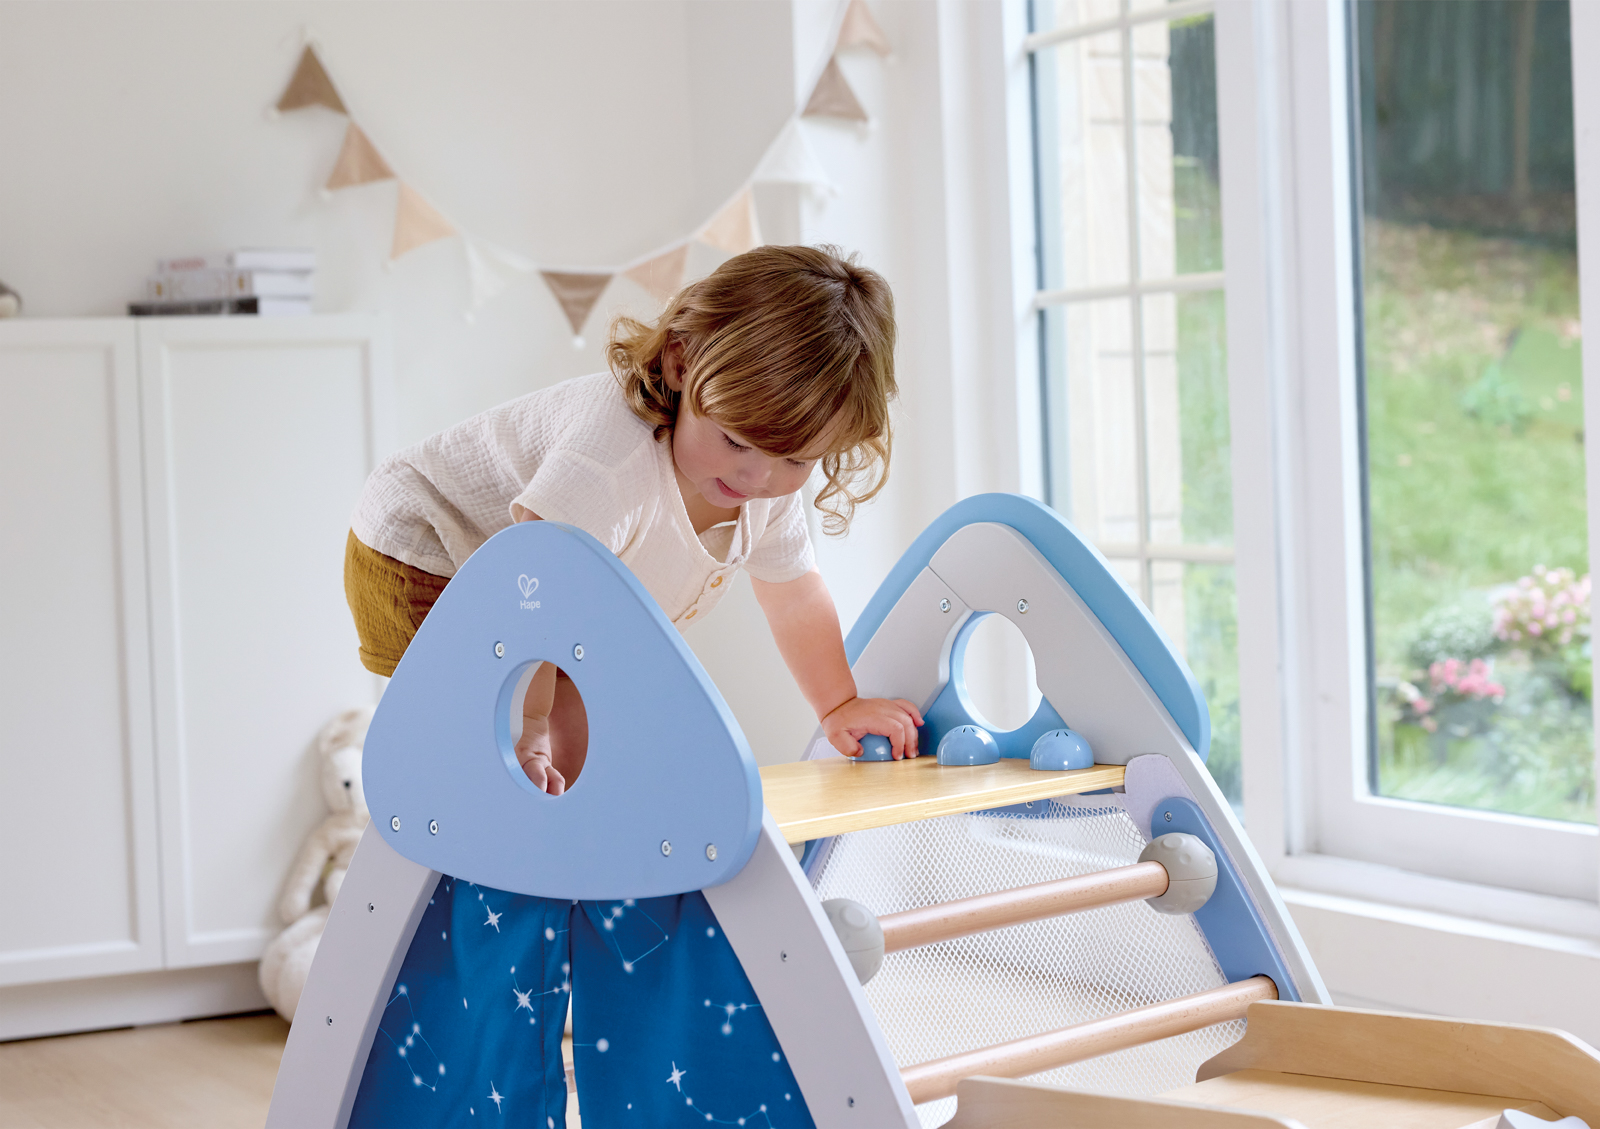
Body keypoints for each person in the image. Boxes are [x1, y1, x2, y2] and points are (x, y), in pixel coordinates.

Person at [344, 244, 923, 794]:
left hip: (554, 591)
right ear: (680, 363)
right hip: (428, 546)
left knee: (585, 739)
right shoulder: (610, 466)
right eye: (734, 442)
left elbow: (794, 596)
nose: (757, 478)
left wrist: (838, 705)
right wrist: (529, 730)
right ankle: (462, 833)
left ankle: (577, 838)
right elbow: (534, 594)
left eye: (796, 460)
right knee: (484, 742)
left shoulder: (763, 480)